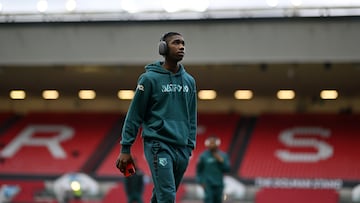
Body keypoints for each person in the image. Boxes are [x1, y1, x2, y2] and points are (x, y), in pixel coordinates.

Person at [116, 32, 197, 203]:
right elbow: (134, 113)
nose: (181, 46)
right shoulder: (149, 79)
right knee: (167, 196)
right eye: (176, 43)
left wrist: (189, 145)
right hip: (158, 145)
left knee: (161, 195)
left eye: (183, 43)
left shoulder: (190, 81)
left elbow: (191, 116)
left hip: (182, 148)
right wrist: (125, 148)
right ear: (163, 48)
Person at [196, 136, 231, 203]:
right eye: (210, 143)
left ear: (217, 144)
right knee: (208, 200)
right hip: (208, 184)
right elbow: (199, 170)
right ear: (207, 144)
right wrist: (200, 181)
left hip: (219, 184)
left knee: (218, 201)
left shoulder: (223, 155)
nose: (212, 145)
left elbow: (227, 169)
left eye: (213, 143)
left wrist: (221, 161)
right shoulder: (203, 156)